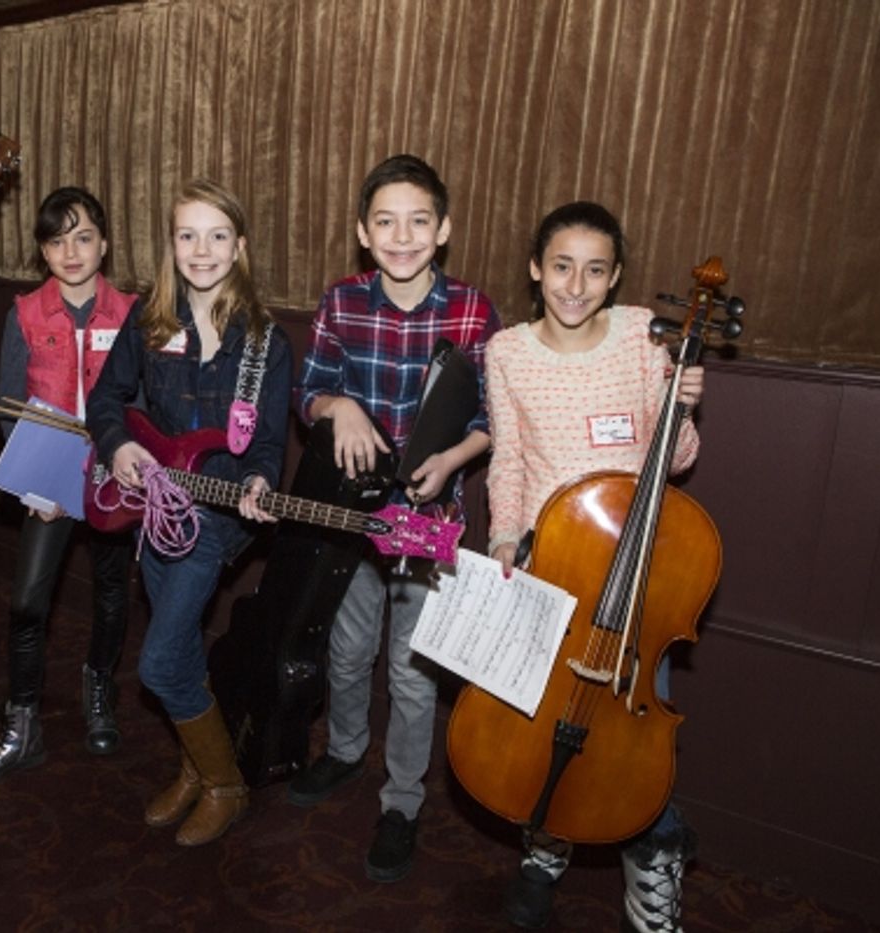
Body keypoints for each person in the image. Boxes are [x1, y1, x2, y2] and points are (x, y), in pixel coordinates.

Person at [485, 201, 704, 933]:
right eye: (561, 266)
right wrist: (505, 538)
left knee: (632, 740)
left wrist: (681, 405)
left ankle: (653, 880)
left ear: (615, 278)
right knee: (542, 720)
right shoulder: (508, 352)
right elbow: (508, 459)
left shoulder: (646, 334)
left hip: (640, 575)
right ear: (534, 269)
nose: (576, 285)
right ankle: (545, 844)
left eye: (596, 269)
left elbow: (672, 463)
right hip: (554, 566)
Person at [290, 154, 501, 883]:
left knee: (412, 675)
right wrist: (337, 405)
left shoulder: (472, 309)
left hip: (429, 517)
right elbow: (308, 389)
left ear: (442, 230)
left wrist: (453, 461)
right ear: (363, 231)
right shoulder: (342, 301)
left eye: (418, 221)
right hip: (352, 514)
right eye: (385, 221)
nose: (402, 235)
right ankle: (346, 750)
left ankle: (403, 799)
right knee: (346, 652)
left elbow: (490, 416)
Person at [86, 179, 291, 846]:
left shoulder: (265, 341)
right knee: (180, 653)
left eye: (217, 235)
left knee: (157, 663)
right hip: (154, 511)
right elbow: (107, 400)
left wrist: (260, 478)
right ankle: (196, 766)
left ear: (240, 247)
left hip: (216, 520)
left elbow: (264, 443)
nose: (201, 250)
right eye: (187, 235)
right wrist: (116, 445)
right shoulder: (149, 320)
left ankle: (226, 784)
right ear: (170, 244)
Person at [0, 186, 136, 787]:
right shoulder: (26, 312)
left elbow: (142, 400)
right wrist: (32, 481)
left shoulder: (132, 312)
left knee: (112, 592)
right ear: (42, 252)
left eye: (83, 237)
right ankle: (23, 722)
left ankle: (98, 689)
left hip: (115, 473)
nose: (72, 251)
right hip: (50, 475)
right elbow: (10, 403)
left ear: (105, 243)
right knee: (28, 600)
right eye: (57, 241)